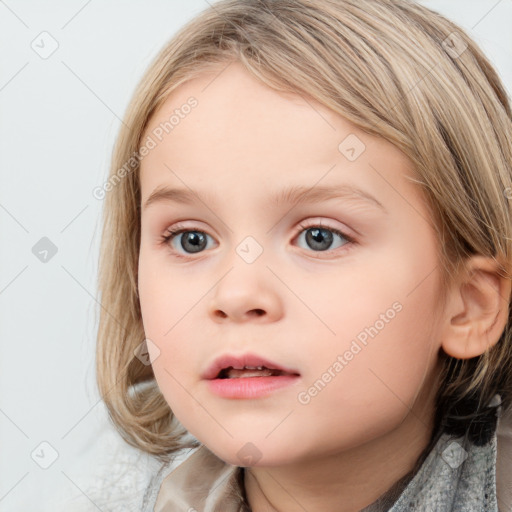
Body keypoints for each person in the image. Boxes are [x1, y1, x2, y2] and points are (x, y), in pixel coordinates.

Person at [92, 0, 512, 510]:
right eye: (191, 239)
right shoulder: (113, 491)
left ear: (470, 303)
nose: (238, 294)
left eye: (319, 237)